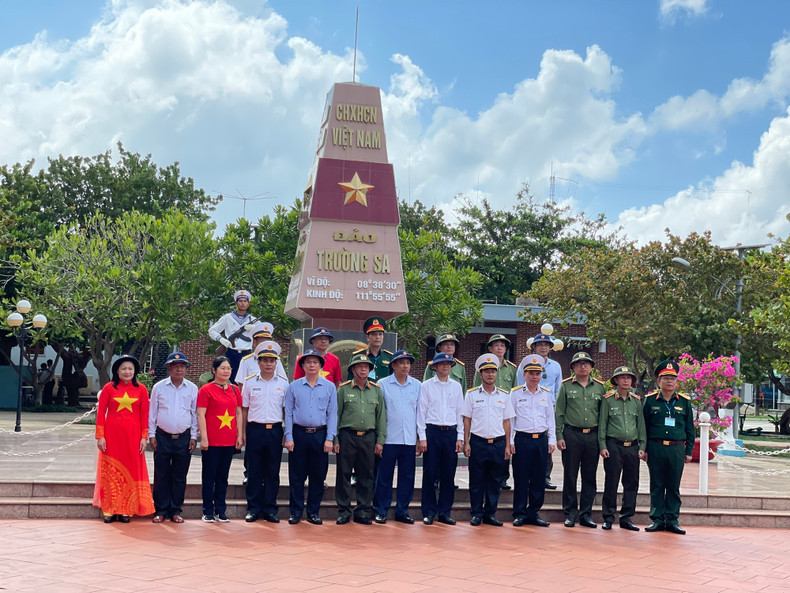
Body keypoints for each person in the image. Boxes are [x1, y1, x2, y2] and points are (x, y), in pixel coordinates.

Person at [93, 354, 155, 523]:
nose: (127, 372)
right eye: (124, 369)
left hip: (133, 437)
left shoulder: (141, 389)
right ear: (117, 371)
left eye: (130, 369)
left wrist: (144, 438)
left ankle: (127, 508)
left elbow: (145, 415)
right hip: (112, 437)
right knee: (111, 470)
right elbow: (100, 414)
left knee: (131, 470)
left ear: (135, 371)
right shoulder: (109, 388)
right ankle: (110, 508)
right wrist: (100, 436)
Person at [284, 348, 338, 525]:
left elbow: (332, 414)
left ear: (320, 365)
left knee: (318, 476)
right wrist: (289, 436)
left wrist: (330, 438)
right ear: (303, 366)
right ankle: (296, 512)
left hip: (320, 435)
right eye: (308, 362)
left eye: (315, 362)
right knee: (296, 476)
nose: (312, 365)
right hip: (299, 434)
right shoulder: (294, 387)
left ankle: (313, 511)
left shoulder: (329, 387)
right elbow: (289, 413)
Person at [555, 351, 607, 528]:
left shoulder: (600, 388)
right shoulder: (566, 386)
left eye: (586, 363)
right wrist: (559, 436)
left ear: (592, 367)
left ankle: (586, 514)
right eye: (579, 364)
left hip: (592, 436)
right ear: (573, 368)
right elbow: (559, 413)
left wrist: (602, 442)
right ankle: (570, 513)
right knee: (570, 475)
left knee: (589, 476)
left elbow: (603, 417)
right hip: (572, 435)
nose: (583, 366)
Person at [643, 359, 695, 535]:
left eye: (673, 378)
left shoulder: (684, 402)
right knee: (657, 484)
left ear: (677, 381)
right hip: (655, 447)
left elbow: (690, 429)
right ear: (659, 381)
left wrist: (688, 452)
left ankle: (672, 520)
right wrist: (644, 448)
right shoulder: (650, 401)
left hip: (676, 449)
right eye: (665, 378)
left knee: (673, 485)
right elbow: (644, 427)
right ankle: (657, 519)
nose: (669, 381)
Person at [334, 352, 386, 525]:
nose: (364, 369)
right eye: (360, 366)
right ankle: (344, 511)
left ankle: (363, 511)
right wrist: (335, 440)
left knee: (366, 475)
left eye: (366, 367)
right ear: (353, 369)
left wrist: (380, 440)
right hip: (347, 436)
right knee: (344, 474)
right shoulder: (344, 389)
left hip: (368, 437)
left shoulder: (376, 391)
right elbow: (336, 415)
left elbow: (381, 417)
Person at [463, 354, 514, 526]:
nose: (490, 374)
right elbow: (467, 420)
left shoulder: (505, 395)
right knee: (476, 480)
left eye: (493, 371)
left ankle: (490, 513)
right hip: (478, 442)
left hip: (498, 443)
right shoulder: (471, 395)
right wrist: (466, 442)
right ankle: (476, 513)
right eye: (487, 371)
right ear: (480, 374)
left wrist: (508, 444)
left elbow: (507, 421)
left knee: (495, 480)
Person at [241, 341, 288, 523]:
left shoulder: (283, 384)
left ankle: (270, 509)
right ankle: (253, 508)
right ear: (258, 362)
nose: (269, 364)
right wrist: (243, 432)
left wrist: (286, 432)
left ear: (276, 363)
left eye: (272, 360)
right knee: (254, 471)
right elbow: (244, 409)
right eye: (265, 360)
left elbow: (286, 410)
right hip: (255, 429)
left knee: (272, 471)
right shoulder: (249, 382)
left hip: (275, 430)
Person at [148, 351, 198, 524]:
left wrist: (194, 436)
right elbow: (152, 412)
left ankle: (175, 510)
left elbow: (194, 414)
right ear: (168, 368)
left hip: (183, 437)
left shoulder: (192, 388)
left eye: (182, 366)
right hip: (162, 437)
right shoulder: (159, 387)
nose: (179, 370)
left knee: (179, 475)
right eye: (175, 366)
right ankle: (160, 510)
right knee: (161, 474)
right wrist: (151, 434)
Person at [373, 350, 421, 524]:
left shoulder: (417, 385)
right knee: (384, 477)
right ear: (393, 365)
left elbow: (420, 413)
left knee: (407, 477)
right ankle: (381, 510)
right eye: (401, 363)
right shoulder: (382, 384)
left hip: (409, 439)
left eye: (408, 363)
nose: (405, 366)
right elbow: (379, 414)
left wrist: (419, 437)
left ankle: (402, 510)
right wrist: (379, 439)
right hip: (389, 439)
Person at [417, 351, 465, 525]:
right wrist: (422, 437)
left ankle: (445, 511)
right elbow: (421, 412)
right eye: (442, 364)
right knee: (429, 473)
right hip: (432, 432)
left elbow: (460, 412)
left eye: (448, 364)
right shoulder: (427, 386)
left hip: (450, 433)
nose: (445, 367)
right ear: (435, 367)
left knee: (448, 474)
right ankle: (428, 511)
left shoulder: (456, 386)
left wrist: (460, 437)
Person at [510, 354, 556, 527]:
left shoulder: (546, 394)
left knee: (538, 477)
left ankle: (534, 512)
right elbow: (510, 419)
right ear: (524, 375)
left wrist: (551, 439)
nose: (535, 377)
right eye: (531, 373)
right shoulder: (515, 394)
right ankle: (519, 512)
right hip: (522, 439)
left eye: (537, 373)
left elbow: (550, 419)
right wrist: (511, 441)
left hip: (541, 440)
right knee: (521, 477)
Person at [197, 356, 243, 523]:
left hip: (229, 440)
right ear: (214, 370)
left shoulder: (235, 390)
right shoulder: (206, 390)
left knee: (223, 477)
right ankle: (207, 511)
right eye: (222, 368)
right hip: (212, 440)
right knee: (209, 477)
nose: (226, 371)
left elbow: (238, 413)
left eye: (228, 368)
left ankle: (220, 510)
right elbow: (201, 414)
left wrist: (239, 435)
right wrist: (204, 438)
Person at [599, 366, 645, 531]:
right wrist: (602, 445)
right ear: (616, 380)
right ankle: (608, 517)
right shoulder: (608, 399)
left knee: (632, 483)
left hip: (632, 446)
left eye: (628, 378)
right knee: (611, 482)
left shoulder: (636, 400)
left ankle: (626, 518)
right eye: (622, 377)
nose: (626, 380)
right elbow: (602, 424)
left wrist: (642, 446)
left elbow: (641, 425)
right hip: (614, 445)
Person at [517, 332, 563, 490]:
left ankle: (545, 477)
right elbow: (518, 387)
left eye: (546, 345)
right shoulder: (524, 365)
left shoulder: (555, 366)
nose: (543, 347)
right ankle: (528, 478)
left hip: (546, 407)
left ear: (550, 348)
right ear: (534, 347)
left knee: (546, 445)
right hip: (527, 406)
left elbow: (558, 390)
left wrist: (556, 409)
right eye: (540, 345)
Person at [473, 334, 518, 490]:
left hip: (503, 411)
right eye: (496, 345)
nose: (499, 348)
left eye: (502, 345)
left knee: (503, 444)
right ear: (490, 348)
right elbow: (474, 390)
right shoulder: (482, 368)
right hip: (484, 410)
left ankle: (503, 478)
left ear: (505, 349)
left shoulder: (512, 368)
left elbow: (514, 392)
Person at [208, 289, 256, 383]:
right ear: (236, 303)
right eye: (240, 301)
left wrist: (254, 328)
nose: (243, 303)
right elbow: (212, 330)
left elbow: (265, 331)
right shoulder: (228, 317)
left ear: (248, 304)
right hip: (231, 353)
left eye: (245, 301)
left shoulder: (252, 319)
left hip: (247, 354)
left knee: (247, 380)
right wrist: (221, 340)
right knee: (230, 380)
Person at [237, 322, 288, 387]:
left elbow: (283, 383)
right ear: (254, 342)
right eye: (262, 342)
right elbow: (241, 385)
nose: (265, 345)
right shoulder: (246, 361)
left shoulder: (276, 361)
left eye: (267, 341)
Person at [348, 317, 392, 381]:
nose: (377, 337)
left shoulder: (389, 357)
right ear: (368, 337)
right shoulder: (357, 355)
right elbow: (350, 379)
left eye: (380, 334)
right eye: (374, 334)